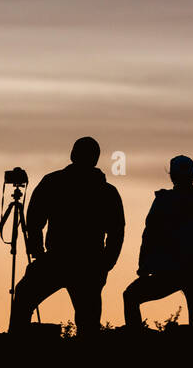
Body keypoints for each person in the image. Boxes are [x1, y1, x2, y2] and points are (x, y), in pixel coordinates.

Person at [9, 136, 125, 336]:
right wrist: (106, 263)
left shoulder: (54, 182)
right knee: (88, 322)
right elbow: (117, 231)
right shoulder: (106, 191)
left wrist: (37, 251)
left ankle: (16, 345)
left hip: (60, 259)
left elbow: (34, 219)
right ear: (96, 159)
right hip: (86, 263)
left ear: (72, 155)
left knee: (23, 298)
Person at [123, 155, 193, 329]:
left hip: (170, 268)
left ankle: (135, 343)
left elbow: (149, 236)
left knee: (130, 296)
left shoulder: (163, 201)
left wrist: (144, 265)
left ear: (172, 175)